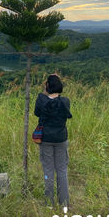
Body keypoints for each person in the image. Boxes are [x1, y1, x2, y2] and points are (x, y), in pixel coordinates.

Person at [34, 74, 72, 207]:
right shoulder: (65, 101)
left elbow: (37, 113)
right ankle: (64, 203)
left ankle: (49, 203)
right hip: (61, 138)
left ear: (47, 86)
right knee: (62, 170)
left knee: (48, 171)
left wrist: (45, 91)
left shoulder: (41, 100)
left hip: (45, 139)